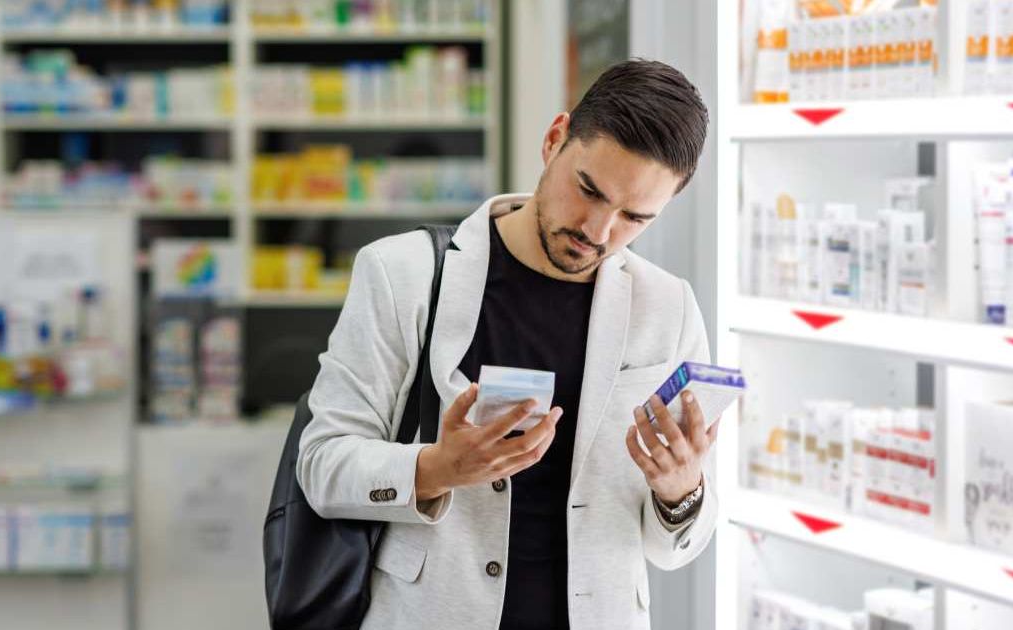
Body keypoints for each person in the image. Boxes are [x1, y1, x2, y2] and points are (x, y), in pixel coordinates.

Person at [297, 59, 717, 630]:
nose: (598, 231)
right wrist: (435, 468)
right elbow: (321, 467)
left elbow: (679, 545)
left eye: (634, 217)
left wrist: (680, 489)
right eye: (588, 190)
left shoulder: (668, 308)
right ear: (553, 140)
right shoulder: (404, 274)